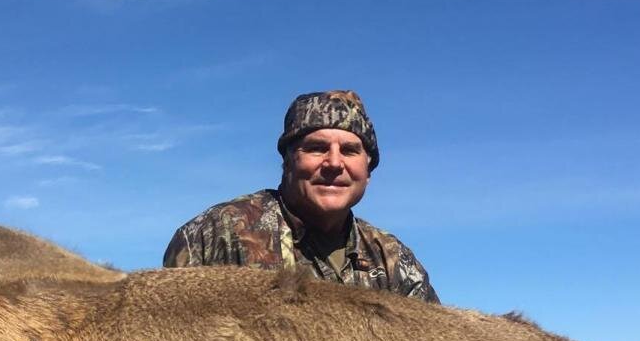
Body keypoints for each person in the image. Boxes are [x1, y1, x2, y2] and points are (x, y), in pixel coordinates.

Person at [163, 90, 439, 302]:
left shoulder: (392, 258)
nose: (334, 163)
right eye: (316, 148)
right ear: (287, 162)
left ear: (368, 171)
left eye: (350, 151)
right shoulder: (217, 233)